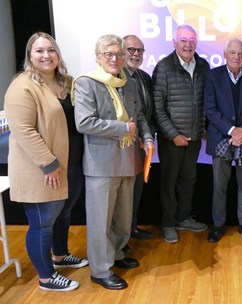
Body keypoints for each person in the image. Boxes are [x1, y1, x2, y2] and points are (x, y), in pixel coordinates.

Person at [4, 32, 86, 292]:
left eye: (51, 50)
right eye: (39, 51)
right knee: (42, 223)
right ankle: (46, 277)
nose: (46, 55)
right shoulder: (22, 86)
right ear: (29, 55)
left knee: (63, 214)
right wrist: (48, 164)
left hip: (71, 164)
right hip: (43, 170)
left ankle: (60, 256)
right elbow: (23, 131)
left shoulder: (67, 83)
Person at [74, 34, 153, 289]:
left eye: (118, 54)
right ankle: (100, 269)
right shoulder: (87, 83)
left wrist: (148, 138)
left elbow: (139, 116)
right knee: (101, 221)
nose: (115, 58)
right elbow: (84, 123)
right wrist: (121, 128)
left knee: (122, 216)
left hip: (128, 159)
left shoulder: (127, 82)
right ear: (98, 57)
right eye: (109, 54)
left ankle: (117, 254)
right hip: (101, 165)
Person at [152, 24, 210, 243]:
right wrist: (173, 134)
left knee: (189, 180)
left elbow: (207, 101)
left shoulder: (203, 66)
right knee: (168, 182)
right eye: (184, 40)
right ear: (174, 42)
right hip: (171, 140)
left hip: (194, 137)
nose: (188, 44)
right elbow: (158, 107)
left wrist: (204, 127)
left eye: (192, 40)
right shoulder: (164, 67)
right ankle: (168, 223)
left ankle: (183, 218)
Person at [204, 38, 242, 244]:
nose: (236, 57)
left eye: (240, 53)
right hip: (222, 139)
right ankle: (218, 225)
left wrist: (241, 132)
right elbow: (210, 109)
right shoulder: (213, 76)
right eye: (232, 53)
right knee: (219, 186)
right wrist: (231, 131)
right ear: (224, 54)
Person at [122, 34, 155, 247]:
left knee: (136, 190)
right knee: (124, 194)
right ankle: (123, 236)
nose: (136, 54)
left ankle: (131, 227)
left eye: (140, 50)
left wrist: (147, 137)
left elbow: (145, 113)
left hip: (143, 144)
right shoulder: (116, 78)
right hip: (123, 146)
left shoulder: (144, 77)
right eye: (131, 50)